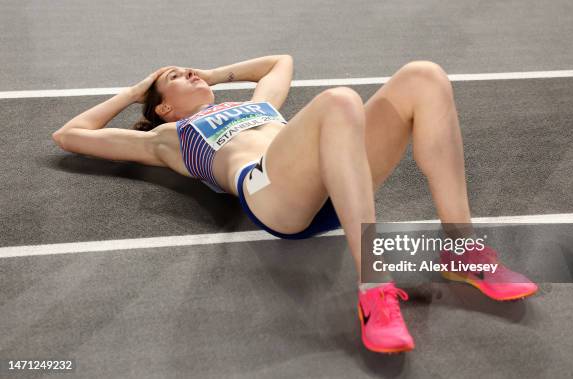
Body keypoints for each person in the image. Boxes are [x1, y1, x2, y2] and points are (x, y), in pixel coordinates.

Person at [52, 55, 538, 354]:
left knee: (423, 76)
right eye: (174, 77)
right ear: (163, 107)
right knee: (339, 101)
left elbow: (278, 61)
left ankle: (460, 247)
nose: (188, 72)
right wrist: (137, 89)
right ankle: (373, 292)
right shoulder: (167, 136)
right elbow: (69, 135)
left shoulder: (260, 105)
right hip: (273, 195)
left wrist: (217, 73)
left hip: (335, 178)